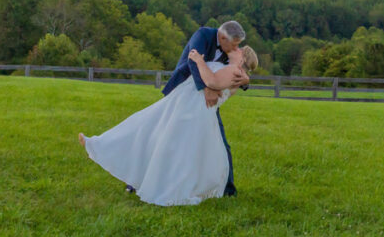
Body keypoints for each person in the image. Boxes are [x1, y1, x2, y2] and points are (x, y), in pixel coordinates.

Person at [78, 44, 258, 206]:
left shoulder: (233, 72)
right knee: (157, 135)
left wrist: (198, 60)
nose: (235, 49)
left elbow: (211, 81)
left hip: (192, 110)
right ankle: (112, 155)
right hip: (192, 108)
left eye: (238, 49)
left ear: (242, 57)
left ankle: (106, 149)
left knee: (151, 131)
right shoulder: (237, 75)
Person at [160, 21, 249, 196]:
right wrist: (206, 89)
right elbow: (192, 62)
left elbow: (237, 70)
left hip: (207, 106)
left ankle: (227, 189)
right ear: (223, 37)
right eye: (234, 44)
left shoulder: (228, 52)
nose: (236, 48)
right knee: (165, 139)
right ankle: (140, 181)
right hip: (183, 95)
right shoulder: (203, 35)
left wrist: (246, 82)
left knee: (220, 143)